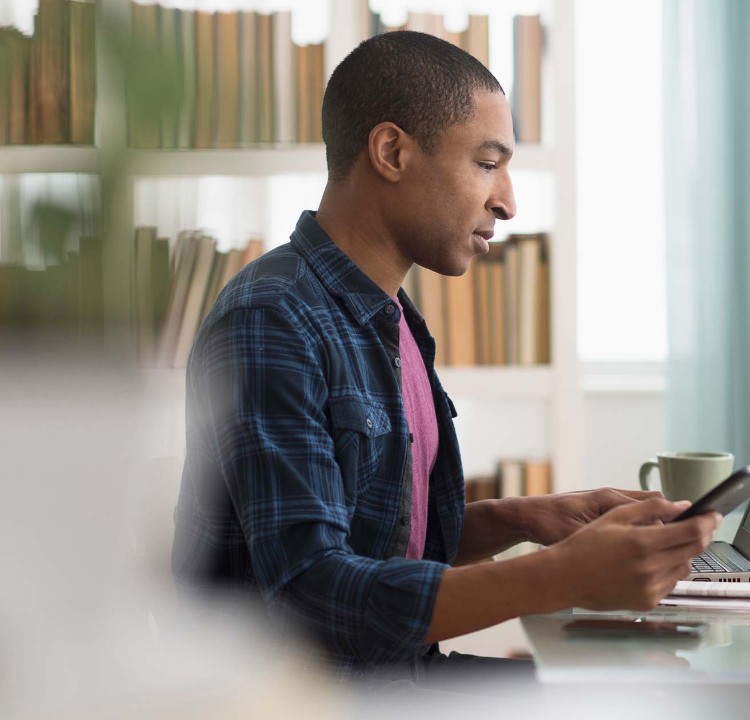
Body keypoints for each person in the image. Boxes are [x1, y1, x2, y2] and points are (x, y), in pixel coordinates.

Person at [170, 31, 719, 682]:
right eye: (487, 164)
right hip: (315, 697)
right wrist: (563, 576)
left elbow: (376, 540)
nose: (508, 202)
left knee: (642, 683)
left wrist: (530, 519)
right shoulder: (272, 319)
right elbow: (309, 594)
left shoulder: (388, 316)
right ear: (392, 152)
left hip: (397, 675)